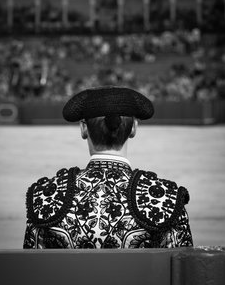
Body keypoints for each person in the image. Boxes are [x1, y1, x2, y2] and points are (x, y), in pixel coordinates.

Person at [23, 85, 193, 249]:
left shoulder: (46, 197)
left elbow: (32, 271)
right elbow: (183, 270)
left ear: (83, 129)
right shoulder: (166, 200)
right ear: (134, 128)